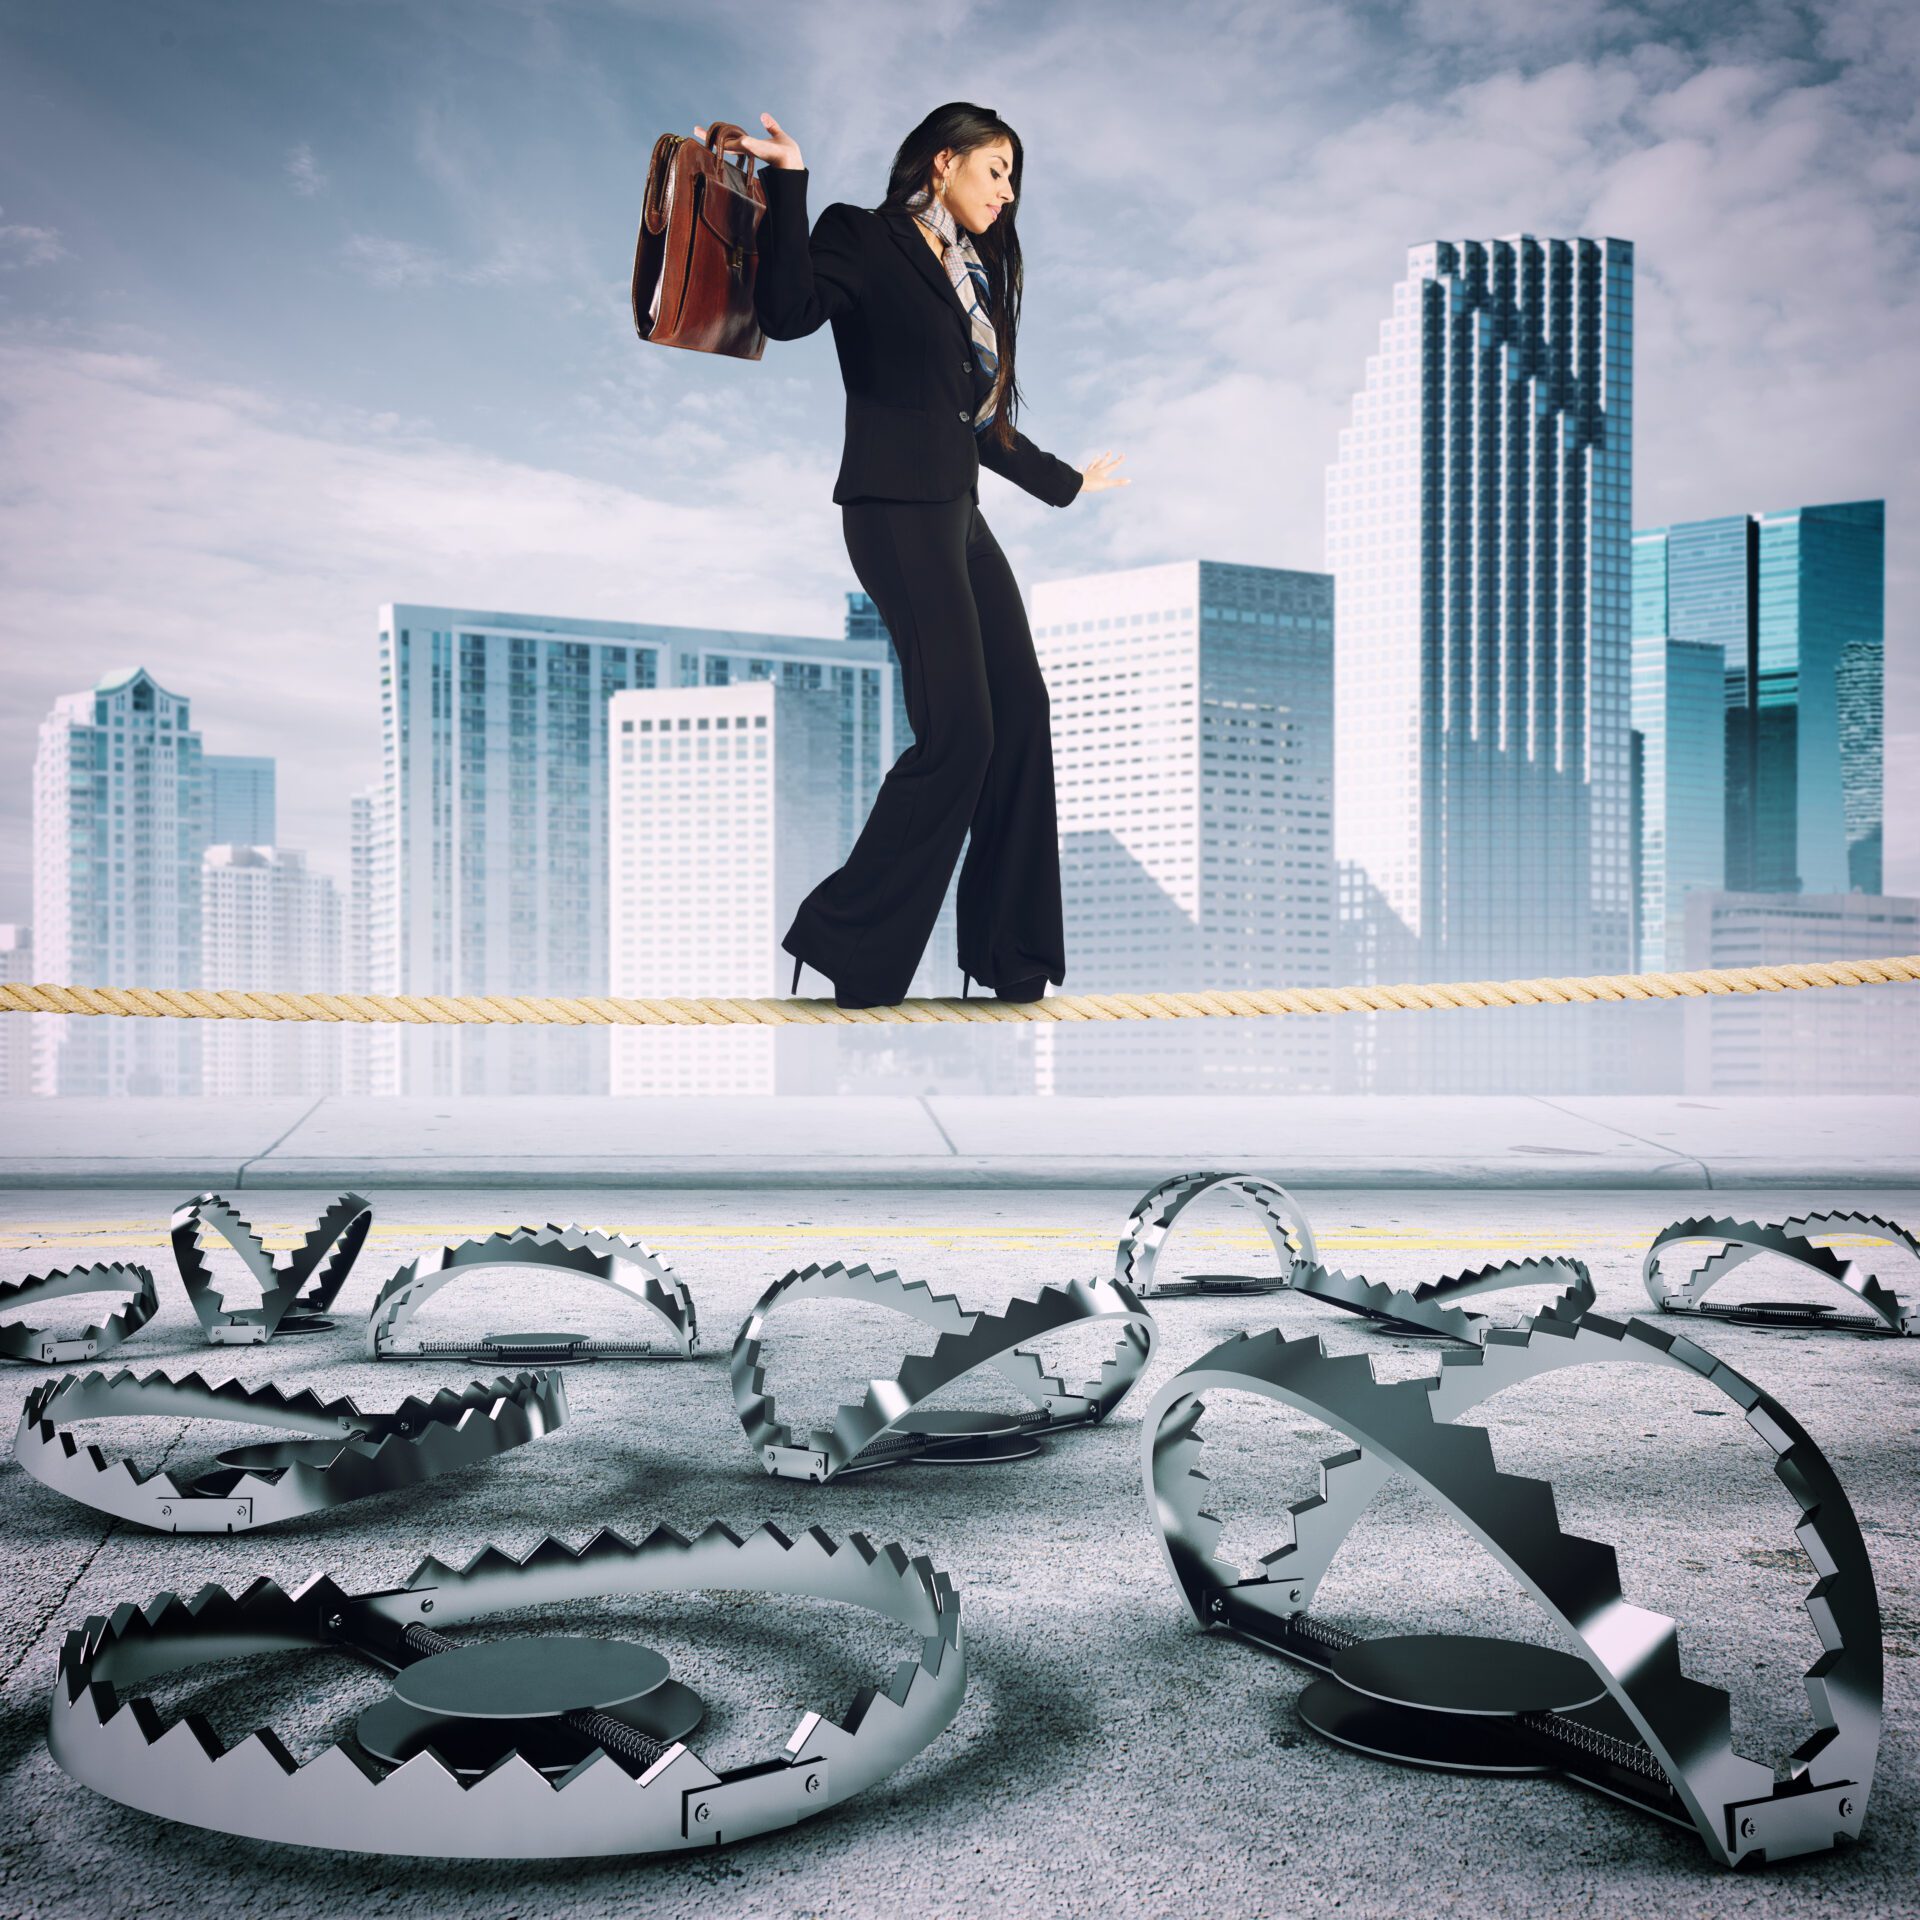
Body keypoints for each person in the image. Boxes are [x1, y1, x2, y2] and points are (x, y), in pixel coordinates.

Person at [693, 102, 1128, 1009]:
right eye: (997, 168)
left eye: (1016, 178)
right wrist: (791, 177)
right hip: (894, 509)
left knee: (1022, 711)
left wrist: (1072, 483)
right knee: (960, 732)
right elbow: (788, 309)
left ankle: (1010, 954)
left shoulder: (973, 277)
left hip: (958, 513)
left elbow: (983, 427)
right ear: (944, 162)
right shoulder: (864, 235)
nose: (1009, 192)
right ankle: (848, 941)